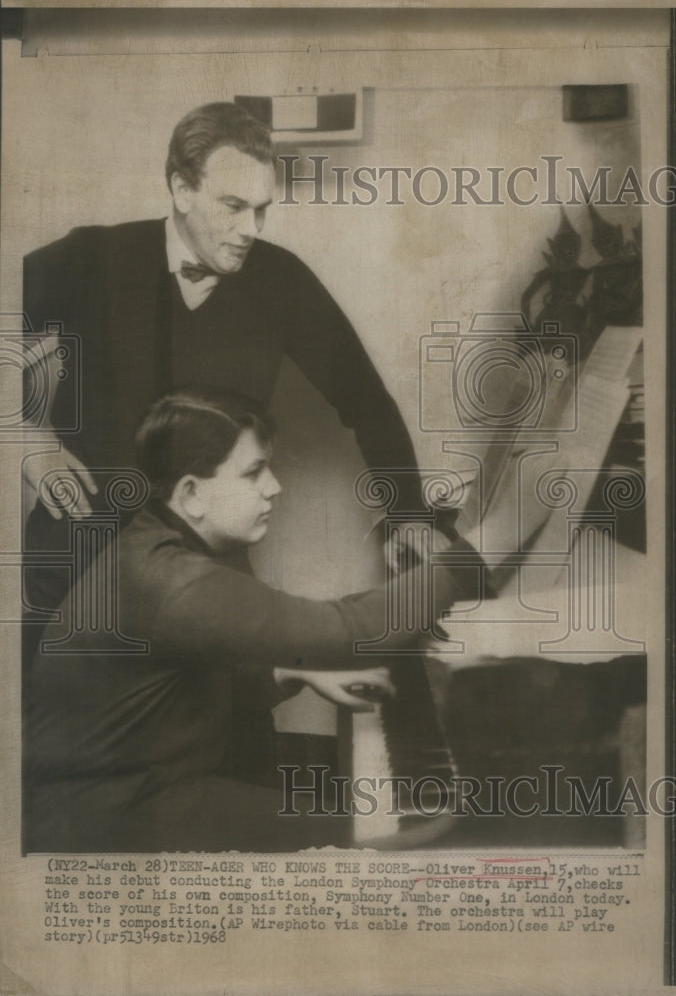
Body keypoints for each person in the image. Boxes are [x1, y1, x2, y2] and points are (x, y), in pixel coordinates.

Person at [24, 386, 484, 854]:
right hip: (107, 822)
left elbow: (167, 687)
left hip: (126, 794)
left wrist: (291, 670)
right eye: (253, 472)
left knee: (353, 825)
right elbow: (352, 630)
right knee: (377, 837)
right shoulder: (173, 578)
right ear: (191, 493)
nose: (274, 487)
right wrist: (490, 542)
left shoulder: (158, 542)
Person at [22, 101, 425, 625]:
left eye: (261, 209)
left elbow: (366, 401)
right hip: (77, 553)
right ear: (181, 190)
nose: (251, 229)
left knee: (242, 703)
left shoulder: (283, 280)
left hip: (208, 566)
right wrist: (27, 443)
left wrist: (411, 514)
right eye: (233, 206)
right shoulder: (95, 255)